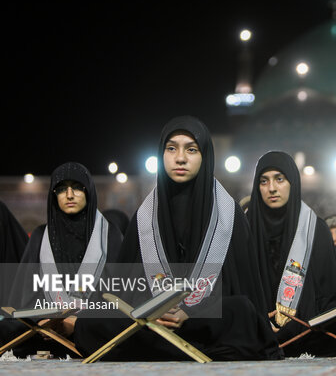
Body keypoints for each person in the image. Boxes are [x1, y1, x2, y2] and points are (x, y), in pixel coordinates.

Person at [73, 116, 281, 361]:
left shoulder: (230, 215)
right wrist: (154, 310)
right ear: (162, 155)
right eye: (171, 148)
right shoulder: (144, 216)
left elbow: (244, 295)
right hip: (152, 323)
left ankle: (159, 347)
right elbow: (125, 289)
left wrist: (192, 313)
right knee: (89, 322)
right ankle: (179, 345)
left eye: (191, 150)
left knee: (242, 312)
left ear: (205, 156)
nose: (180, 158)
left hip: (206, 324)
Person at [246, 151, 336, 357]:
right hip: (256, 322)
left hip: (303, 322)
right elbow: (239, 285)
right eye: (264, 181)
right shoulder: (245, 227)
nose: (272, 188)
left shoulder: (316, 228)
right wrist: (261, 317)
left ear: (292, 182)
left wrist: (295, 318)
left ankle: (284, 340)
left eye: (279, 179)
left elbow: (326, 292)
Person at [2, 162, 123, 357]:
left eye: (77, 187)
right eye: (61, 189)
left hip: (93, 333)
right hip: (45, 333)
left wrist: (78, 322)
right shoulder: (41, 236)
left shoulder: (110, 235)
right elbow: (25, 295)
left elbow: (121, 294)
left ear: (89, 192)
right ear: (53, 195)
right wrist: (42, 320)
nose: (69, 195)